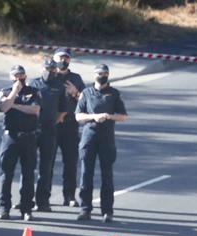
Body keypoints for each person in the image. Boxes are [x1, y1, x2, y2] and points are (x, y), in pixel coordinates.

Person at [75, 64, 128, 223]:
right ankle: (85, 209)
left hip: (107, 138)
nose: (102, 75)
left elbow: (123, 116)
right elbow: (78, 116)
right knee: (86, 174)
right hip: (89, 137)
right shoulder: (86, 93)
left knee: (107, 175)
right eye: (99, 73)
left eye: (105, 73)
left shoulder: (114, 94)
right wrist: (94, 117)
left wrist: (109, 116)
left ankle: (107, 211)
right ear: (94, 75)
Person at [0, 65, 40, 221]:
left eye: (21, 75)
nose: (19, 78)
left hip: (28, 137)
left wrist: (14, 106)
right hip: (10, 137)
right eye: (15, 75)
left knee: (28, 174)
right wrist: (14, 93)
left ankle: (26, 208)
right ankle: (3, 208)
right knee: (5, 174)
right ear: (11, 77)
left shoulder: (33, 91)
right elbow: (3, 107)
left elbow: (34, 109)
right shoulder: (5, 91)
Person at [28, 59, 67, 212]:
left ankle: (43, 201)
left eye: (52, 69)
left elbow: (63, 109)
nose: (50, 71)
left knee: (46, 167)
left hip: (49, 130)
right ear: (41, 68)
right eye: (47, 68)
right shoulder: (33, 83)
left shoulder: (59, 86)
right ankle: (27, 200)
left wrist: (53, 121)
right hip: (32, 129)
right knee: (28, 166)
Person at [53, 48, 86, 207]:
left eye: (66, 58)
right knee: (46, 163)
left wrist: (75, 92)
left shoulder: (76, 78)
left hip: (70, 125)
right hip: (51, 126)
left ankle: (70, 196)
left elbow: (87, 101)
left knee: (71, 162)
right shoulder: (49, 76)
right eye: (60, 57)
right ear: (53, 58)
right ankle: (42, 197)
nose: (63, 61)